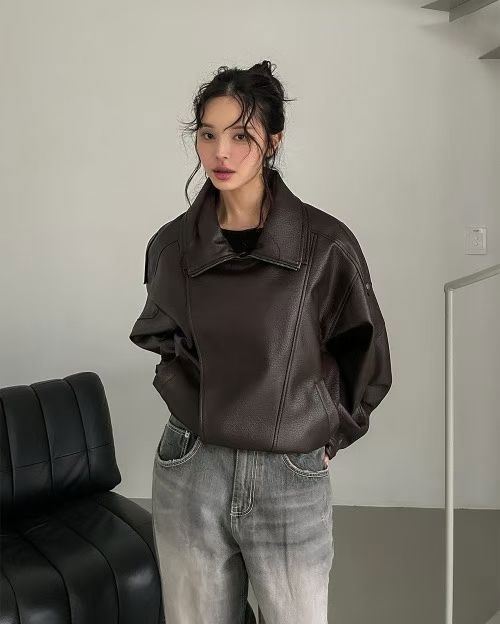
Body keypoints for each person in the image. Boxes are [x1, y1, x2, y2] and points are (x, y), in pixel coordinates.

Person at [129, 60, 392, 624]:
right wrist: (190, 402)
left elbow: (364, 349)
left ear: (273, 141)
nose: (221, 152)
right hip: (192, 465)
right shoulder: (171, 246)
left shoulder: (326, 245)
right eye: (208, 134)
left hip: (289, 473)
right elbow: (163, 340)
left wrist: (331, 431)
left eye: (240, 136)